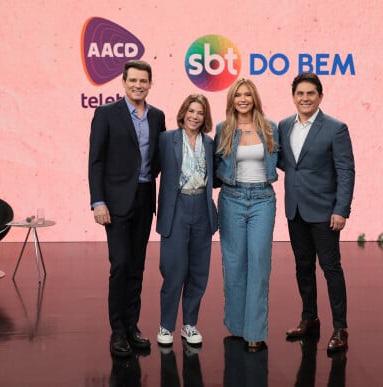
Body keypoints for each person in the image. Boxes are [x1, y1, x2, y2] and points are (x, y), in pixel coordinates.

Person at [88, 60, 166, 357]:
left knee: (137, 267)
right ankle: (117, 332)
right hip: (115, 203)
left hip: (145, 200)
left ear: (150, 84)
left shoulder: (157, 117)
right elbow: (95, 161)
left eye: (143, 81)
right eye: (132, 80)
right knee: (120, 265)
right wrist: (98, 202)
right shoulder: (106, 114)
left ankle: (133, 327)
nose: (138, 85)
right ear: (123, 82)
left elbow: (160, 160)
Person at [278, 72, 355, 352]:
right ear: (293, 97)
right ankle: (309, 318)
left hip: (325, 212)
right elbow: (287, 164)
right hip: (295, 210)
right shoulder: (284, 126)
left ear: (320, 96)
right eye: (300, 93)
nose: (305, 98)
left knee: (331, 268)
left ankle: (340, 328)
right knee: (303, 267)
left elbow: (346, 171)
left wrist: (341, 209)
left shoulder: (336, 128)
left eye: (311, 93)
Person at [214, 78, 279, 352]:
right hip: (232, 199)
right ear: (232, 99)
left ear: (254, 98)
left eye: (247, 94)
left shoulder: (270, 128)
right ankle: (238, 326)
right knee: (234, 265)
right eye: (238, 95)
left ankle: (255, 331)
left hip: (263, 200)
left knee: (259, 265)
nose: (243, 99)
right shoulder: (223, 129)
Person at [156, 94, 218, 347]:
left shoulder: (210, 143)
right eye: (191, 111)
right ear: (183, 113)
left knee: (199, 271)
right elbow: (151, 170)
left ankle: (189, 325)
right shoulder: (166, 139)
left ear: (205, 117)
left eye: (200, 112)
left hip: (202, 206)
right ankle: (166, 325)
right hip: (177, 207)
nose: (195, 116)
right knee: (174, 269)